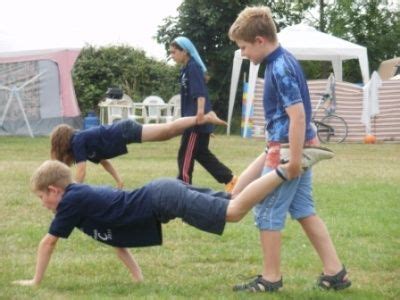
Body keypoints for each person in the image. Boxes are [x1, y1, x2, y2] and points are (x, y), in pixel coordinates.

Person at [13, 148, 332, 287]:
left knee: (233, 212)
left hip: (163, 197)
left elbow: (48, 243)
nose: (43, 203)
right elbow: (116, 240)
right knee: (234, 199)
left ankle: (288, 167)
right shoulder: (82, 204)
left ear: (55, 190)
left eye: (42, 197)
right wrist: (138, 279)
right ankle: (270, 151)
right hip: (162, 193)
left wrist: (36, 280)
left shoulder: (72, 201)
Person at [228, 6, 351, 292]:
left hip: (288, 151)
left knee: (268, 212)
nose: (244, 54)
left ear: (260, 40)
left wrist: (293, 162)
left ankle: (270, 279)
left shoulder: (279, 66)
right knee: (304, 210)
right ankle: (335, 273)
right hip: (296, 147)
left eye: (244, 47)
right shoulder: (283, 61)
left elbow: (297, 116)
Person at [50, 112, 226, 188]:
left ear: (62, 143)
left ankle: (202, 118)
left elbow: (80, 172)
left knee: (168, 130)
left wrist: (71, 191)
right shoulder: (83, 143)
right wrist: (119, 181)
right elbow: (104, 162)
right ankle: (197, 123)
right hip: (126, 134)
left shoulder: (78, 140)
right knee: (167, 133)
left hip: (124, 131)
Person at [169, 36, 237, 192]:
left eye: (174, 52)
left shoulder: (193, 67)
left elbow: (200, 93)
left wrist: (200, 116)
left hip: (195, 121)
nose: (172, 56)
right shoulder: (185, 69)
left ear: (184, 51)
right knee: (201, 154)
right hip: (191, 119)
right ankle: (230, 179)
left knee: (185, 154)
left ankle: (183, 186)